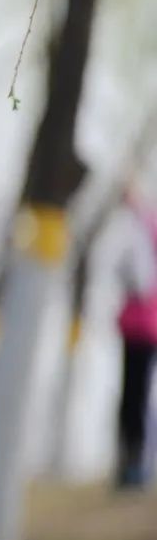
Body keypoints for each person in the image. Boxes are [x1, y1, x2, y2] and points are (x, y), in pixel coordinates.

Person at [114, 188, 157, 489]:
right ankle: (131, 463)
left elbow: (141, 281)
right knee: (134, 397)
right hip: (138, 326)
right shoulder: (139, 228)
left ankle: (134, 465)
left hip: (143, 327)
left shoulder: (142, 230)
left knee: (135, 397)